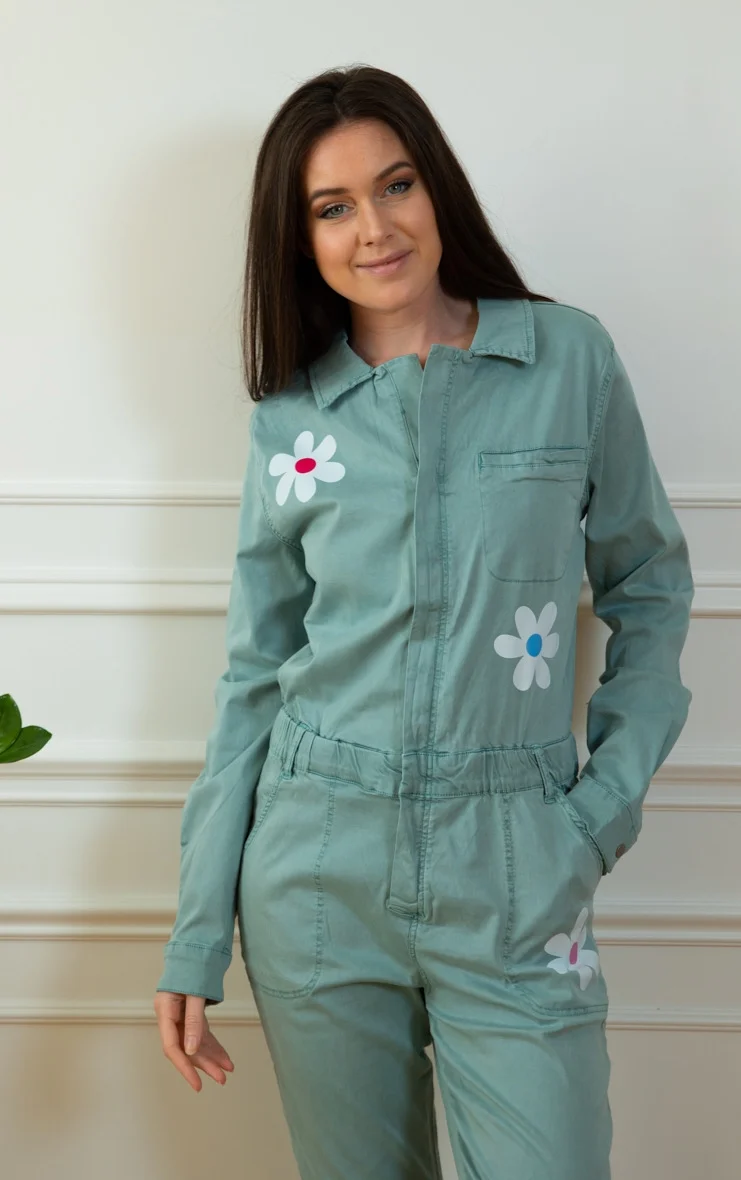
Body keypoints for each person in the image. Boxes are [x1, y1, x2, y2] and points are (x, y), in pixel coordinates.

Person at [153, 63, 694, 1180]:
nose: (375, 228)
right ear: (299, 237)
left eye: (395, 185)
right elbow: (255, 672)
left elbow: (648, 585)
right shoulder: (293, 418)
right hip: (315, 871)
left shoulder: (567, 361)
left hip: (517, 865)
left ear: (436, 187)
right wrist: (198, 932)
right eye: (332, 206)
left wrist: (597, 814)